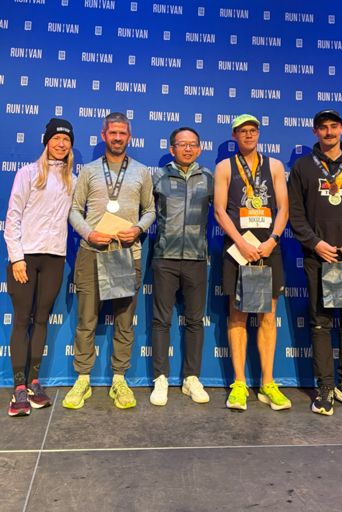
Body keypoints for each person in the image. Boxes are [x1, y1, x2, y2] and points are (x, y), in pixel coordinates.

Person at [62, 112, 155, 410]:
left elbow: (150, 210)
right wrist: (89, 234)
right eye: (112, 133)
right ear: (103, 135)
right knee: (86, 319)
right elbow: (74, 210)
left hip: (127, 253)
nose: (117, 138)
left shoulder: (141, 172)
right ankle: (83, 379)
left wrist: (137, 229)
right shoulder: (89, 171)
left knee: (125, 321)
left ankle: (119, 379)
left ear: (129, 137)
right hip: (91, 253)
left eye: (122, 133)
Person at [288, 109, 342, 416]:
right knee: (321, 323)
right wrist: (315, 243)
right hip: (319, 257)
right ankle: (325, 386)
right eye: (322, 127)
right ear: (315, 132)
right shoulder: (303, 167)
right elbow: (295, 215)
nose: (328, 132)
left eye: (333, 126)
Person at [214, 114, 291, 411]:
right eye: (243, 131)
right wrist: (241, 243)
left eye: (253, 130)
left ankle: (268, 383)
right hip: (238, 249)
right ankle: (239, 383)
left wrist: (272, 240)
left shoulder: (274, 166)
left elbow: (283, 208)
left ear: (259, 133)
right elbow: (220, 211)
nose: (248, 135)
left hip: (268, 248)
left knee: (268, 316)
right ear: (234, 135)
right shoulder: (225, 167)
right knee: (238, 316)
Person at [4, 118, 76, 417]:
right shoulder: (27, 173)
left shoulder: (72, 179)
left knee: (42, 319)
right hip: (26, 257)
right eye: (56, 139)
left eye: (66, 140)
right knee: (22, 319)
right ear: (46, 141)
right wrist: (17, 257)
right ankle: (18, 388)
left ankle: (34, 383)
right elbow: (13, 217)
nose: (61, 144)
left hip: (54, 258)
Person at [149, 127, 213, 406]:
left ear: (199, 148)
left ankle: (191, 378)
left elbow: (226, 212)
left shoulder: (208, 178)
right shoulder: (158, 177)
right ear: (172, 148)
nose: (187, 149)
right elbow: (144, 211)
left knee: (195, 321)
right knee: (161, 320)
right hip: (165, 257)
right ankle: (160, 378)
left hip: (197, 258)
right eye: (182, 144)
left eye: (192, 144)